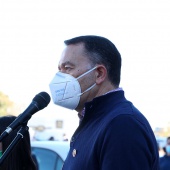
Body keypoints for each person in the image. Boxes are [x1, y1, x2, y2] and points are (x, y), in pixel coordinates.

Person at [49, 35, 159, 169]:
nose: (60, 76)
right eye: (60, 69)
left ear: (99, 74)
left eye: (68, 68)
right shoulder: (95, 121)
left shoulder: (122, 124)